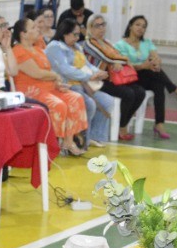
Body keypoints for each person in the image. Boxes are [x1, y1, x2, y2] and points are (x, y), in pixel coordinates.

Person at [12, 17, 88, 156]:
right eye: (33, 27)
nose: (38, 29)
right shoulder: (18, 51)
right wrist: (56, 77)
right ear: (23, 34)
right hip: (31, 91)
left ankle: (68, 141)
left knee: (76, 98)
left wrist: (58, 84)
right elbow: (37, 74)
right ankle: (51, 144)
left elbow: (48, 71)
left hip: (48, 87)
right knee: (59, 105)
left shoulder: (39, 49)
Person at [115, 14, 177, 140]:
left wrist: (156, 62)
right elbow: (125, 65)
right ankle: (174, 89)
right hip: (130, 77)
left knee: (158, 85)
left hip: (146, 75)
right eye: (138, 25)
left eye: (144, 26)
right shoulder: (121, 44)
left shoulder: (147, 43)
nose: (140, 28)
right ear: (130, 26)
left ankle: (159, 123)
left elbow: (155, 56)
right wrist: (143, 65)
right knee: (153, 73)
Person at [46, 18, 116, 147]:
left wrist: (98, 72)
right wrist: (90, 76)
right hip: (66, 86)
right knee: (89, 104)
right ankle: (79, 140)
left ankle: (94, 135)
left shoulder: (76, 46)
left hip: (82, 85)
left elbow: (87, 64)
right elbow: (65, 70)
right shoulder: (54, 47)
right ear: (64, 33)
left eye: (79, 34)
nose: (78, 38)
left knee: (107, 101)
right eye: (75, 34)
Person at [82, 14, 148, 143]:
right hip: (96, 81)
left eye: (103, 25)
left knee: (140, 92)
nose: (101, 28)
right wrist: (123, 60)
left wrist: (118, 61)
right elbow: (107, 56)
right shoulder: (89, 43)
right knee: (128, 93)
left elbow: (115, 55)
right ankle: (120, 128)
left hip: (111, 78)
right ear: (90, 28)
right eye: (97, 26)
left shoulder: (106, 42)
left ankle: (122, 124)